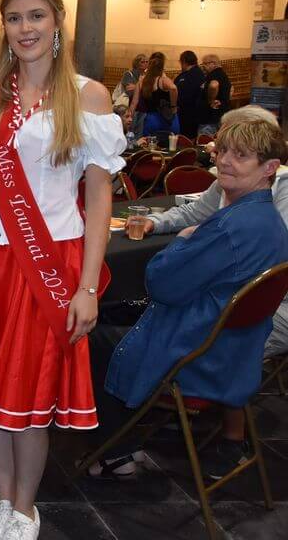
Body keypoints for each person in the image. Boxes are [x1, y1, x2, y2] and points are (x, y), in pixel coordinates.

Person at [0, 0, 125, 540]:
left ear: (57, 23)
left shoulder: (87, 94)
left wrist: (88, 286)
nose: (25, 29)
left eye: (36, 17)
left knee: (33, 391)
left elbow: (98, 195)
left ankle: (25, 508)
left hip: (51, 259)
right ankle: (1, 499)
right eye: (15, 18)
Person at [93, 117, 288, 480]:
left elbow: (160, 284)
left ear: (269, 169)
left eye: (241, 155)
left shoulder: (233, 226)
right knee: (112, 314)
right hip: (233, 348)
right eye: (225, 150)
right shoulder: (265, 220)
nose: (226, 161)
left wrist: (183, 239)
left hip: (199, 352)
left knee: (91, 337)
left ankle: (116, 451)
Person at [128, 51, 178, 136]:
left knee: (149, 146)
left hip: (150, 119)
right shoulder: (162, 80)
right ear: (162, 67)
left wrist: (129, 118)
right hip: (166, 118)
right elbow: (173, 88)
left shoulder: (142, 81)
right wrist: (173, 106)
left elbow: (133, 103)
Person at [174, 50, 205, 139]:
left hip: (188, 114)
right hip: (190, 113)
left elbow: (186, 94)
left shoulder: (192, 74)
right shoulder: (197, 73)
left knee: (186, 139)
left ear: (184, 61)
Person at [199, 54, 232, 136]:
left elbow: (214, 85)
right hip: (221, 115)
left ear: (213, 64)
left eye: (204, 64)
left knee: (205, 144)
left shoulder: (214, 74)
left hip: (210, 118)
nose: (203, 67)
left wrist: (210, 100)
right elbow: (232, 89)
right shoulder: (223, 74)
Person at [112, 53, 146, 121]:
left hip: (141, 105)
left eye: (147, 62)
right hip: (128, 104)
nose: (145, 63)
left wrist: (136, 87)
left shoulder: (146, 75)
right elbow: (129, 90)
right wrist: (142, 87)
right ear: (136, 63)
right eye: (142, 62)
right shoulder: (128, 74)